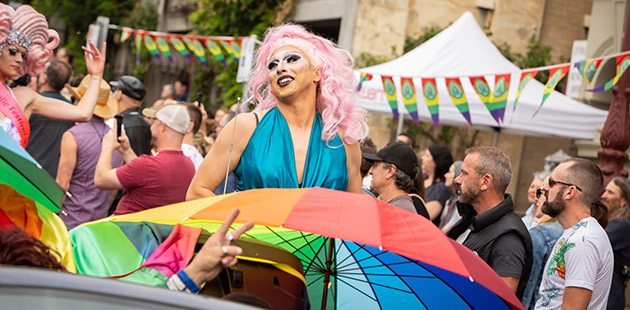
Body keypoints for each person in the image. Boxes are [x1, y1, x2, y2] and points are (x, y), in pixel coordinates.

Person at [187, 23, 368, 199]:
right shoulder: (245, 127)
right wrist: (240, 221)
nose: (280, 68)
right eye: (272, 66)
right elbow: (197, 191)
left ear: (317, 73)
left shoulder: (344, 142)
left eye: (292, 59)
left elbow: (354, 211)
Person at [0, 4, 105, 148]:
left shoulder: (24, 97)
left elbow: (83, 113)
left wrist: (96, 75)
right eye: (13, 51)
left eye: (23, 55)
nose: (19, 59)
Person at [446, 146, 532, 299]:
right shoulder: (472, 220)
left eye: (464, 173)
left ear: (485, 182)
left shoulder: (509, 237)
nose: (457, 180)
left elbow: (501, 302)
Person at [535, 158, 613, 309]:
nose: (544, 188)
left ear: (570, 191)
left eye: (551, 183)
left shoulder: (583, 240)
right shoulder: (575, 234)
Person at [95, 105, 195, 215]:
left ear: (163, 126)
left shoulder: (147, 166)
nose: (150, 126)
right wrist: (126, 151)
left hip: (125, 229)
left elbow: (101, 180)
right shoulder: (189, 165)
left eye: (154, 121)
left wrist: (107, 146)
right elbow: (146, 177)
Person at [56, 76, 120, 230]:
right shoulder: (115, 138)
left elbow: (62, 184)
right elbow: (113, 188)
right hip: (98, 222)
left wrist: (53, 216)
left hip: (70, 220)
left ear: (80, 102)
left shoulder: (73, 136)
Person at [25, 59, 74, 177]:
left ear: (44, 78)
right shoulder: (72, 110)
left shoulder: (29, 104)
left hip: (26, 171)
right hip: (54, 176)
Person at [521, 178, 564, 310]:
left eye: (540, 193)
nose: (536, 199)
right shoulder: (568, 231)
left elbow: (527, 292)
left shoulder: (541, 234)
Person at [362, 141, 419, 214]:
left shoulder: (397, 211)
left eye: (375, 166)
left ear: (390, 171)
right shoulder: (397, 207)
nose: (370, 171)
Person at [602, 177, 630, 310]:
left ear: (623, 201)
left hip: (610, 297)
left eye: (610, 192)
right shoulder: (608, 223)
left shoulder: (623, 225)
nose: (604, 196)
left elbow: (594, 242)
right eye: (605, 191)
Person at [110, 75, 151, 156]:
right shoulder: (148, 125)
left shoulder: (115, 124)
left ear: (119, 94)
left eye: (115, 90)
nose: (113, 94)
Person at [421, 144, 454, 224]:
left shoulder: (440, 188)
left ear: (436, 162)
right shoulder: (423, 180)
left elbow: (425, 216)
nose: (422, 158)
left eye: (427, 156)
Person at [439, 161, 463, 233]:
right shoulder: (449, 200)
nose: (445, 175)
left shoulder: (461, 202)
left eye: (449, 172)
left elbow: (453, 224)